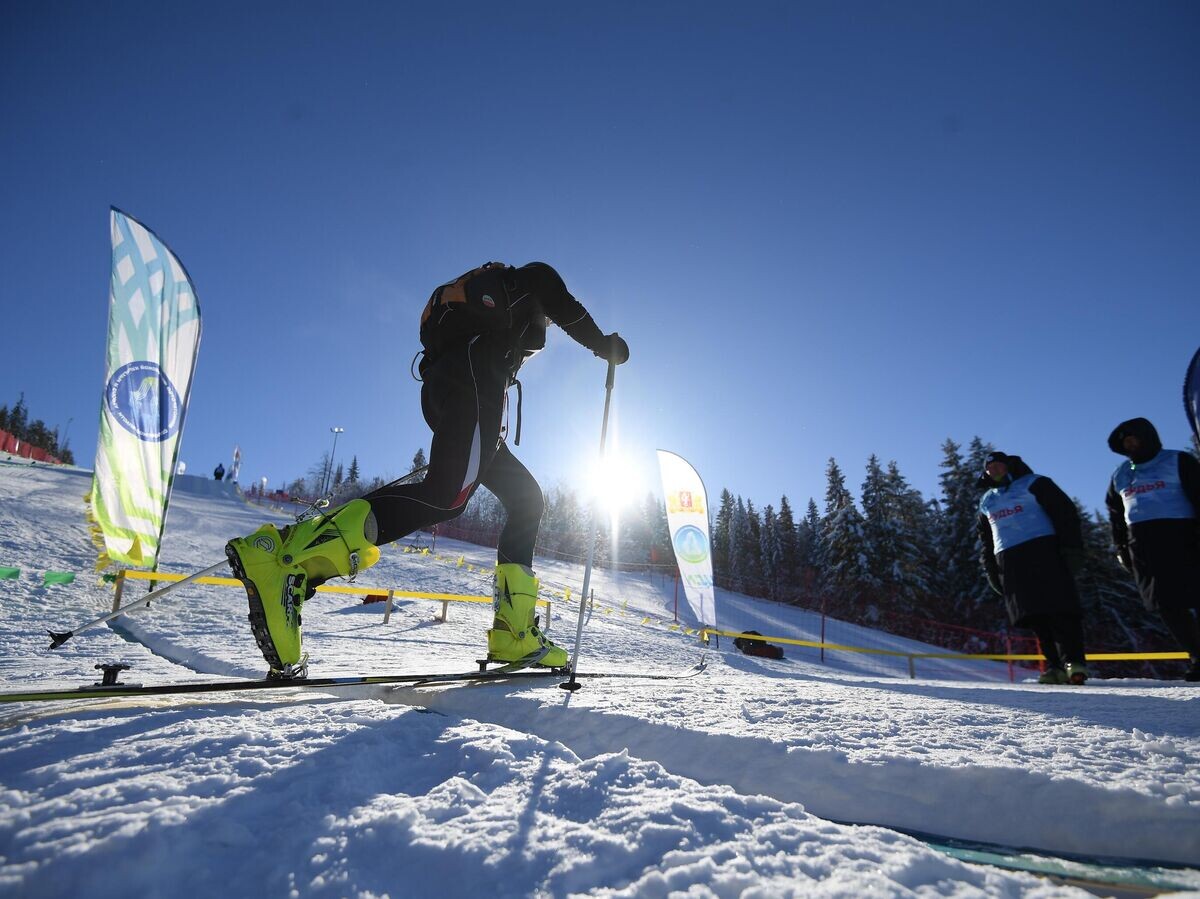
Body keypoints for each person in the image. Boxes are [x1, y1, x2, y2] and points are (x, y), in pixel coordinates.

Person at [226, 262, 629, 676]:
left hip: (450, 386)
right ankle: (288, 561)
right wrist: (604, 344)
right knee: (446, 495)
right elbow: (563, 302)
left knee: (525, 498)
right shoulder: (532, 279)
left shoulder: (494, 306)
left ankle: (515, 633)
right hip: (474, 384)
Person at [977, 452, 1089, 685]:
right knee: (1034, 615)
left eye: (999, 465)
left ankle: (1074, 662)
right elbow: (986, 540)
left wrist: (1072, 549)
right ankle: (1054, 666)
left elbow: (1065, 513)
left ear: (1010, 466)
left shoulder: (1034, 483)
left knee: (1060, 608)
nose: (995, 470)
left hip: (1044, 550)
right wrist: (991, 571)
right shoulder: (987, 500)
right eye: (990, 468)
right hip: (1009, 558)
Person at [1106, 418, 1200, 682]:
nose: (1131, 445)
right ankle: (1196, 655)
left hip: (1184, 536)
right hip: (1143, 545)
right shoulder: (1121, 473)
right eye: (1126, 442)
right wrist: (1121, 547)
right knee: (1165, 603)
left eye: (1134, 439)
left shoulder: (1178, 460)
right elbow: (1115, 513)